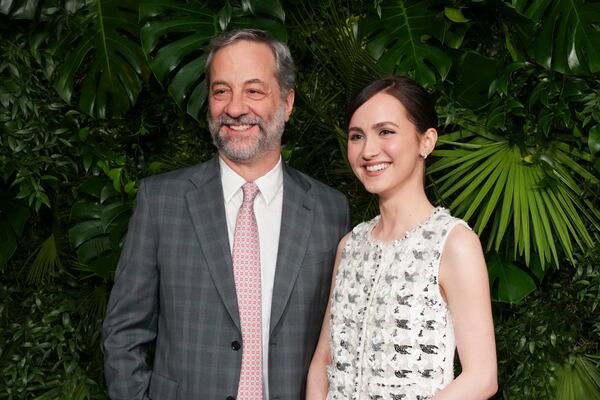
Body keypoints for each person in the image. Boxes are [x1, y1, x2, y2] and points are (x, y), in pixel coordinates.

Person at [102, 28, 350, 400]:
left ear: (287, 102)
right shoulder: (161, 202)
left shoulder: (330, 210)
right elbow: (123, 332)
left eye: (254, 91)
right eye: (221, 91)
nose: (235, 109)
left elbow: (341, 341)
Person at [306, 76, 497, 400]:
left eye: (386, 132)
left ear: (426, 141)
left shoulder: (453, 243)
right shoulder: (350, 246)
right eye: (357, 136)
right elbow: (324, 359)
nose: (368, 150)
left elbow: (482, 377)